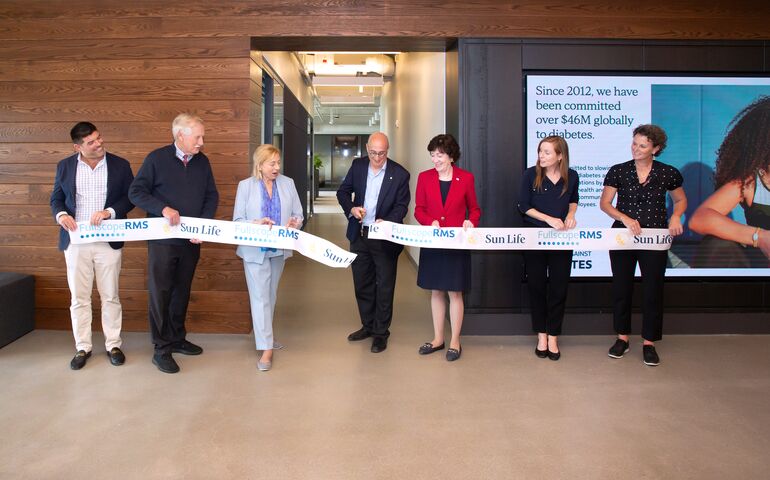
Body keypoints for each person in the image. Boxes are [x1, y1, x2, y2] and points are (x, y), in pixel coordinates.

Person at [129, 113, 219, 374]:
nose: (202, 142)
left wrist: (203, 225)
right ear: (180, 135)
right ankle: (161, 348)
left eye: (203, 136)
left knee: (182, 290)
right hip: (162, 241)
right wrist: (163, 208)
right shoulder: (157, 159)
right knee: (161, 293)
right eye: (198, 136)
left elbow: (211, 195)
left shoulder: (203, 162)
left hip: (192, 240)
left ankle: (178, 338)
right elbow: (136, 192)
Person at [600, 124, 687, 366]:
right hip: (622, 238)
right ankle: (622, 338)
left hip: (655, 239)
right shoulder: (618, 171)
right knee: (621, 287)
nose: (636, 148)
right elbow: (605, 204)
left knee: (652, 289)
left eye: (642, 145)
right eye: (634, 143)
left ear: (655, 148)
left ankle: (649, 342)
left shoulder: (668, 173)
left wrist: (676, 215)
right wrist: (624, 218)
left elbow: (680, 199)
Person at [50, 122, 135, 370]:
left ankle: (113, 344)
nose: (98, 144)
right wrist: (62, 215)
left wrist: (110, 212)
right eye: (91, 142)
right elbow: (56, 198)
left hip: (108, 241)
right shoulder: (65, 166)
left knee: (110, 295)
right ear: (78, 147)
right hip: (75, 242)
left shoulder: (120, 164)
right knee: (79, 297)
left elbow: (130, 197)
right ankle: (82, 347)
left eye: (98, 138)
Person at [337, 132, 410, 353]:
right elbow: (343, 192)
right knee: (362, 283)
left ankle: (381, 333)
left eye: (381, 153)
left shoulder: (400, 174)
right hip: (359, 234)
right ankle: (367, 325)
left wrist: (386, 222)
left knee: (385, 286)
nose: (377, 158)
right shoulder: (358, 166)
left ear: (388, 150)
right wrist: (351, 208)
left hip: (384, 238)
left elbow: (401, 206)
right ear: (367, 148)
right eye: (372, 153)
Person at [233, 144, 303, 372]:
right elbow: (237, 222)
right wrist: (256, 223)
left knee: (270, 295)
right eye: (272, 163)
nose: (277, 167)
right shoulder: (246, 187)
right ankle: (266, 349)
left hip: (278, 250)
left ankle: (267, 336)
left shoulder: (288, 183)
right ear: (260, 165)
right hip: (254, 251)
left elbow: (298, 214)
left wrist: (294, 222)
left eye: (278, 162)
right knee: (260, 297)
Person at [414, 134, 481, 361]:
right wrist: (428, 221)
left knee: (455, 292)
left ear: (451, 156)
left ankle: (455, 341)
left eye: (440, 155)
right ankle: (438, 338)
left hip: (456, 243)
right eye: (432, 155)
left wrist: (470, 221)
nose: (435, 160)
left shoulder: (466, 178)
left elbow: (474, 210)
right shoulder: (424, 178)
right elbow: (419, 209)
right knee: (436, 291)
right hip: (433, 243)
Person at [517, 135, 578, 361]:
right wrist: (549, 219)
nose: (541, 156)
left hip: (562, 241)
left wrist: (571, 215)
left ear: (560, 156)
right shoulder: (530, 174)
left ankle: (554, 335)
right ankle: (541, 335)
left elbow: (574, 199)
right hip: (534, 238)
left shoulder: (572, 176)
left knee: (559, 288)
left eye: (547, 152)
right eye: (540, 151)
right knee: (536, 286)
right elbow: (523, 206)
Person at [690, 96, 770, 265]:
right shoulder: (751, 182)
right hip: (761, 271)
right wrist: (760, 237)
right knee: (716, 245)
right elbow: (700, 219)